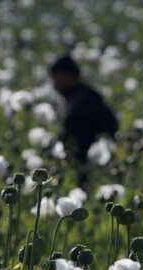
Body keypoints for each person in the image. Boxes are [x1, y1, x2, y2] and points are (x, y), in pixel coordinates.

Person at [49, 54, 119, 190]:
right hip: (79, 163)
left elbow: (109, 126)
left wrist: (96, 153)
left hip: (90, 163)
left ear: (69, 76)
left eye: (56, 77)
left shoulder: (85, 98)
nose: (54, 83)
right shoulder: (74, 97)